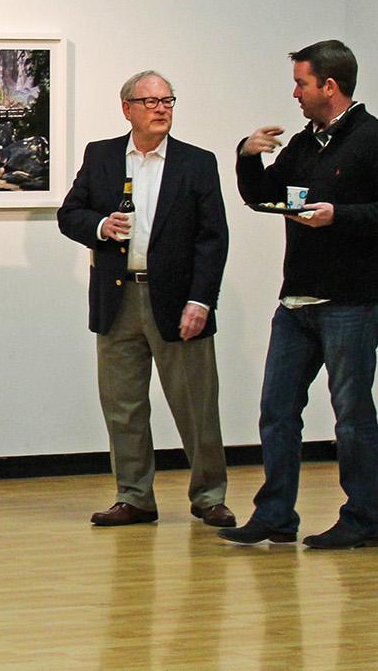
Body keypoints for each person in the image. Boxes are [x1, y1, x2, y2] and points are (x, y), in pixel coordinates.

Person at [220, 40, 378, 549]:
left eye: (302, 84)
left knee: (351, 415)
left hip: (352, 301)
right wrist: (246, 156)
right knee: (276, 410)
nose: (295, 94)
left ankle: (362, 522)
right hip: (296, 301)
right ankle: (276, 517)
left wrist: (340, 215)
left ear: (329, 87)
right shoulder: (306, 144)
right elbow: (262, 196)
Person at [57, 71, 234, 528]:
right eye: (151, 101)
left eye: (168, 101)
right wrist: (100, 227)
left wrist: (202, 300)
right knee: (123, 405)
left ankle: (209, 496)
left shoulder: (197, 162)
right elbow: (69, 214)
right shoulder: (102, 157)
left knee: (196, 404)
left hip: (178, 303)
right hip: (117, 300)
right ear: (127, 108)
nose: (161, 109)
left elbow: (213, 239)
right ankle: (134, 496)